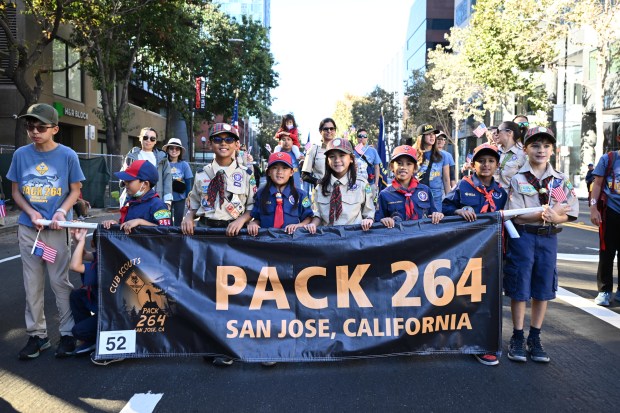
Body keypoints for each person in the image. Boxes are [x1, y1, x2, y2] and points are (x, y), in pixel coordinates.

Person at [7, 103, 85, 360]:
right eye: (30, 126)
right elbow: (16, 192)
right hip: (30, 230)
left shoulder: (68, 156)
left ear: (55, 129)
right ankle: (37, 336)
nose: (35, 131)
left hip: (57, 228)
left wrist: (61, 212)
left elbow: (75, 190)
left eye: (41, 127)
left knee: (59, 283)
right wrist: (31, 213)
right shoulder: (20, 155)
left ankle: (66, 333)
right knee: (32, 285)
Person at [182, 122, 256, 367]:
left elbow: (253, 207)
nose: (223, 143)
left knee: (232, 291)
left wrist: (243, 220)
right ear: (211, 144)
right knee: (208, 289)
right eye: (218, 139)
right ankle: (211, 340)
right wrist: (188, 217)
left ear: (237, 144)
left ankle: (229, 344)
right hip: (206, 233)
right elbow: (192, 202)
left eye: (228, 139)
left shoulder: (246, 174)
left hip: (233, 235)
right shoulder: (202, 174)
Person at [503, 126, 578, 363]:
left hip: (548, 238)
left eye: (546, 146)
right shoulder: (518, 179)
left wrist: (557, 217)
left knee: (543, 287)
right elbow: (515, 215)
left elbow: (569, 211)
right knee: (519, 286)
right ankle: (517, 335)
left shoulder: (559, 179)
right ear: (525, 149)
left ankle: (534, 336)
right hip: (524, 237)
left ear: (552, 150)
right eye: (535, 145)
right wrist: (545, 213)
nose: (541, 150)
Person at [443, 143, 507, 366]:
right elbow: (445, 208)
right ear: (473, 164)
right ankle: (462, 337)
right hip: (467, 252)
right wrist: (458, 210)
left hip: (491, 252)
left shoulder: (501, 193)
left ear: (497, 165)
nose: (486, 165)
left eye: (491, 161)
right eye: (482, 161)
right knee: (465, 296)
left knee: (490, 297)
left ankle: (485, 343)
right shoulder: (463, 186)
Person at [307, 138, 375, 230]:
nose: (337, 160)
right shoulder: (320, 187)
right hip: (328, 238)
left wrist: (368, 219)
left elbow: (368, 212)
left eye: (342, 155)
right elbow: (318, 215)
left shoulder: (361, 184)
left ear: (351, 159)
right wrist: (313, 224)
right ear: (327, 161)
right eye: (332, 156)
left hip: (354, 237)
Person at [375, 145, 443, 227]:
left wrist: (437, 215)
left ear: (415, 168)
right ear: (392, 167)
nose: (403, 167)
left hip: (423, 237)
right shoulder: (385, 194)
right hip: (398, 238)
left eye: (409, 164)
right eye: (399, 163)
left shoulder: (425, 190)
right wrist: (384, 220)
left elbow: (433, 214)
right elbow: (377, 223)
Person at [247, 152, 314, 236]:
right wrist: (253, 223)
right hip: (267, 241)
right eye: (275, 168)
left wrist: (298, 226)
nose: (279, 172)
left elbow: (309, 218)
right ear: (268, 172)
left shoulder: (300, 195)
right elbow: (257, 217)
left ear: (291, 172)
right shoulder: (261, 194)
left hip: (291, 241)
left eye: (284, 168)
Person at [102, 160, 172, 233]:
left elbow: (167, 230)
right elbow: (127, 226)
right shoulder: (130, 202)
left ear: (145, 184)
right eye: (124, 180)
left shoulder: (159, 205)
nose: (125, 183)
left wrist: (140, 222)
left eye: (129, 181)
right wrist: (115, 225)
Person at [589, 145, 620, 306]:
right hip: (611, 212)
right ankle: (604, 291)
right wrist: (593, 208)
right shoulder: (609, 159)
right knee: (607, 253)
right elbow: (598, 185)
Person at [121, 127, 172, 207]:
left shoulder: (163, 158)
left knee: (154, 219)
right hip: (134, 200)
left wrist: (168, 202)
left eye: (152, 138)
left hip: (156, 199)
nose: (148, 140)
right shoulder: (132, 156)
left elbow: (167, 179)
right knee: (133, 219)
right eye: (145, 137)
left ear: (155, 141)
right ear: (140, 138)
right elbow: (123, 175)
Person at [68, 228, 99, 357]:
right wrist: (77, 240)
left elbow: (75, 266)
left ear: (93, 243)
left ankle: (95, 339)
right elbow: (85, 255)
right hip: (106, 307)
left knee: (78, 331)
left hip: (112, 315)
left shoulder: (102, 264)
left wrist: (81, 242)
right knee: (77, 295)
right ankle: (92, 336)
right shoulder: (106, 255)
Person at [414, 124, 451, 212]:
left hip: (436, 199)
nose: (432, 136)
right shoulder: (413, 154)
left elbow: (446, 179)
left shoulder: (443, 156)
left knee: (436, 223)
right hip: (417, 197)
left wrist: (449, 200)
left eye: (433, 134)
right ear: (421, 137)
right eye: (428, 134)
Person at [162, 138, 193, 226]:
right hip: (166, 196)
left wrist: (188, 197)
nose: (174, 150)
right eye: (171, 148)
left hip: (180, 197)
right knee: (166, 220)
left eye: (177, 148)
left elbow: (188, 182)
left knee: (178, 220)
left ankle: (177, 238)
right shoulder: (163, 163)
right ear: (167, 150)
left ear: (180, 151)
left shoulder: (184, 165)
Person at [301, 118, 337, 187]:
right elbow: (304, 175)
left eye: (332, 128)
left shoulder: (340, 149)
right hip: (320, 193)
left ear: (335, 131)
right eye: (326, 129)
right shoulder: (314, 149)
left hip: (339, 192)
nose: (329, 131)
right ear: (320, 131)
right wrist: (318, 181)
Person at [494, 121, 526, 188]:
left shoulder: (523, 153)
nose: (496, 134)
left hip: (512, 196)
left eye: (498, 131)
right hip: (492, 195)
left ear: (509, 132)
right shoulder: (494, 151)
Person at [353, 128, 382, 197]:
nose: (362, 138)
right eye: (360, 136)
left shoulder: (372, 150)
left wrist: (375, 184)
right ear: (357, 138)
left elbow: (376, 168)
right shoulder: (352, 151)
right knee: (356, 205)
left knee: (369, 203)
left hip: (369, 184)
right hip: (355, 184)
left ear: (367, 138)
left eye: (364, 136)